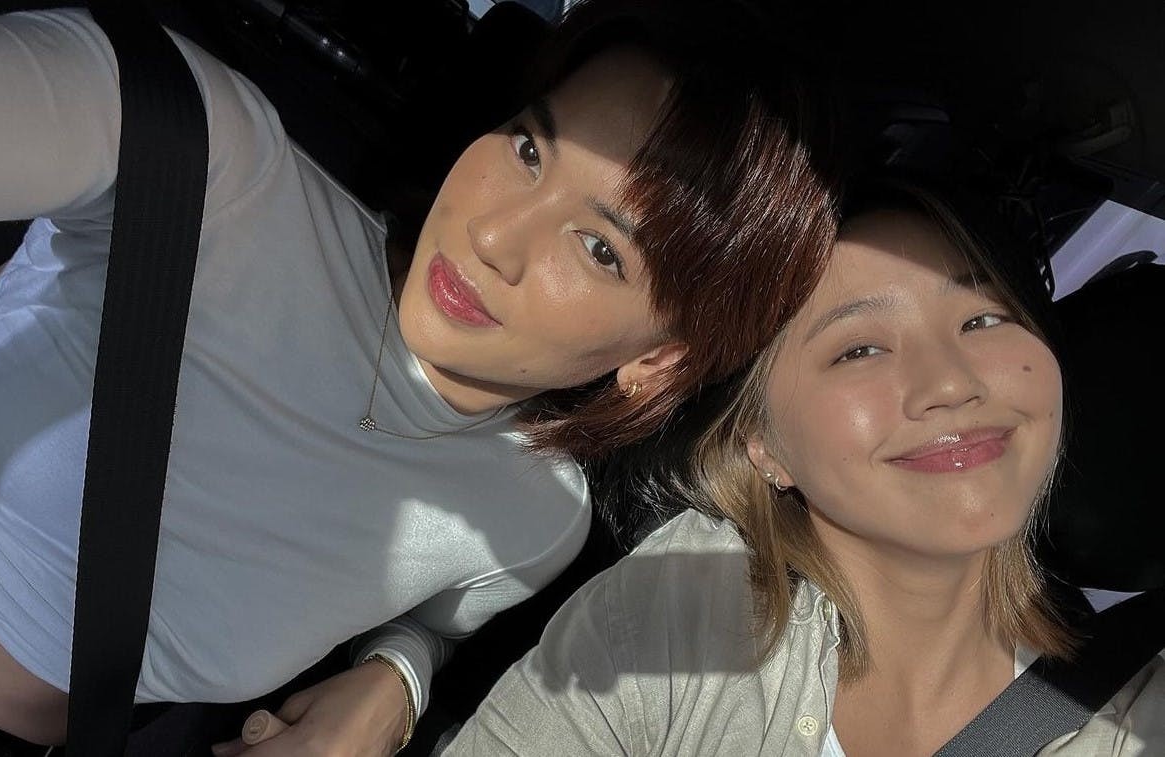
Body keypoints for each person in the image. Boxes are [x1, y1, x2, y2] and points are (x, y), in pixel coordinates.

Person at [0, 0, 841, 754]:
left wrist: (395, 679)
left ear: (657, 360)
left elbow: (434, 616)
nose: (493, 233)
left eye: (601, 247)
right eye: (531, 149)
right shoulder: (216, 169)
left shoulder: (535, 513)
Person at [443, 176, 1165, 756]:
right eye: (859, 350)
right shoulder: (678, 615)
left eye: (983, 319)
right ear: (764, 445)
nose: (951, 382)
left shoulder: (1130, 710)